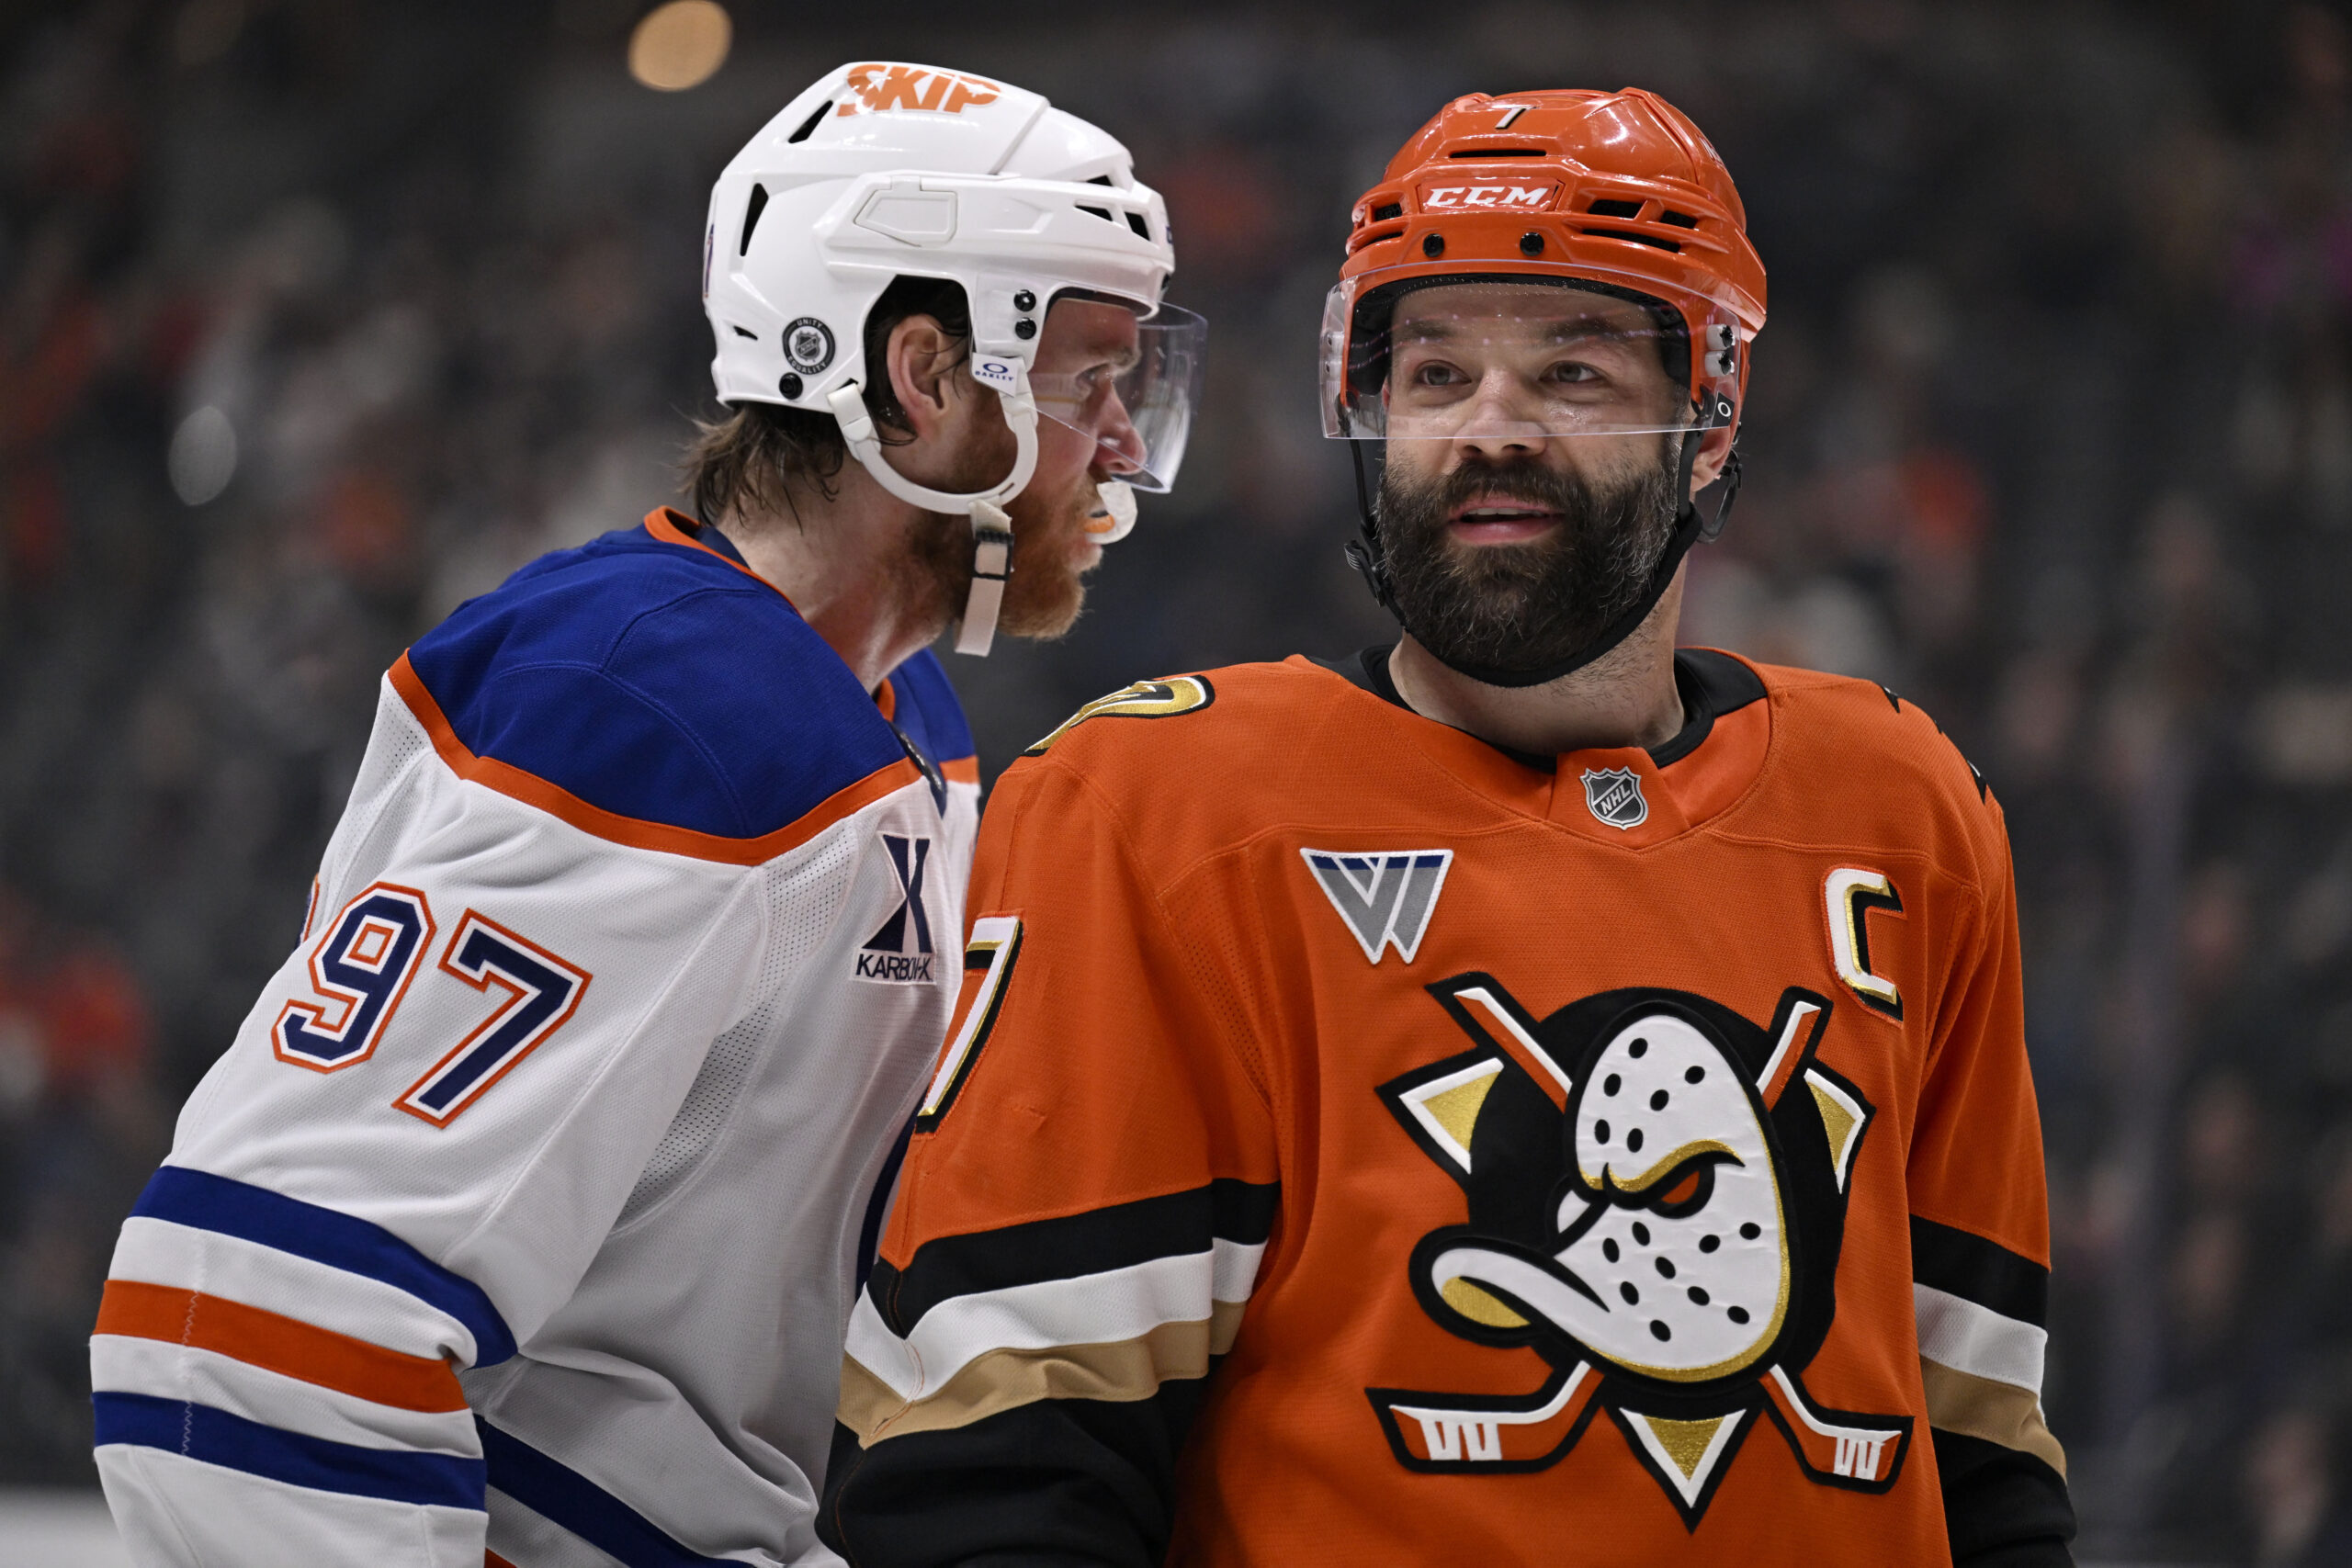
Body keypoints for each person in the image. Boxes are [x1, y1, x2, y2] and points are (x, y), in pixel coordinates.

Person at [823, 87, 2072, 1566]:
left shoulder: (1906, 812)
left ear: (1713, 415)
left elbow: (1983, 1454)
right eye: (1434, 372)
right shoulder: (1155, 812)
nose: (1492, 429)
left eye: (1573, 371)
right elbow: (988, 1485)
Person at [87, 59, 1203, 1567]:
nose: (1124, 440)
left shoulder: (879, 709)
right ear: (927, 377)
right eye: (1087, 376)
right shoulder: (674, 701)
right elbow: (244, 1321)